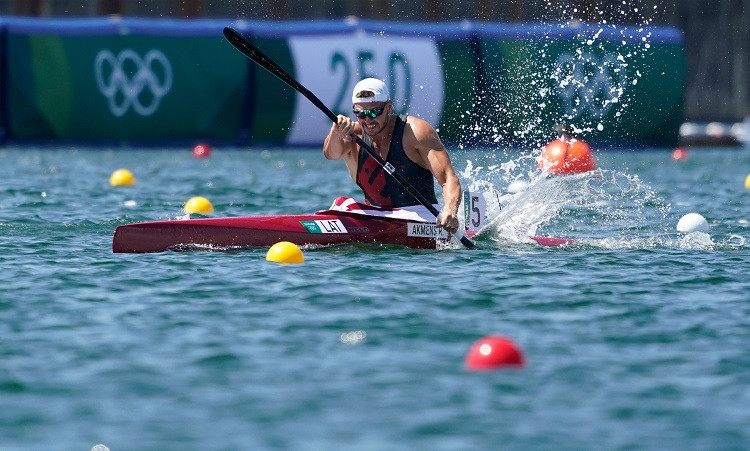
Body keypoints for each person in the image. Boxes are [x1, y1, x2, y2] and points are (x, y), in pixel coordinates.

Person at [323, 78, 462, 234]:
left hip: (420, 216)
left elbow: (448, 178)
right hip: (375, 216)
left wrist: (450, 210)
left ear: (389, 107)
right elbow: (331, 155)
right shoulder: (353, 135)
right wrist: (335, 132)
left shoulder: (415, 132)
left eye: (374, 112)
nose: (367, 120)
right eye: (360, 113)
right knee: (343, 203)